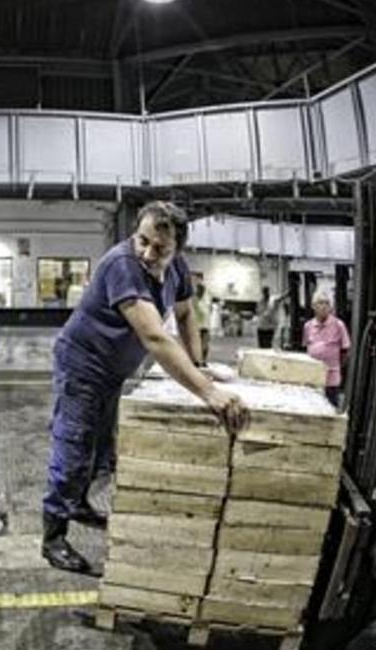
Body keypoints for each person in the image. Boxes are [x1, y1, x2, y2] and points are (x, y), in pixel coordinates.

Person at [41, 201, 249, 575]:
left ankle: (80, 503)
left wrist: (199, 365)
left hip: (112, 371)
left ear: (177, 250)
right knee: (74, 443)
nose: (148, 254)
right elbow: (154, 335)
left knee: (102, 445)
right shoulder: (123, 266)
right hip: (82, 366)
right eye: (143, 241)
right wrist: (207, 392)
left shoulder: (177, 269)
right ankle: (53, 536)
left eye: (160, 249)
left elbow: (186, 315)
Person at [303, 291, 350, 408]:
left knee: (331, 407)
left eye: (327, 303)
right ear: (313, 306)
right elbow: (306, 347)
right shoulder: (308, 326)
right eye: (320, 303)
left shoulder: (339, 325)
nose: (324, 306)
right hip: (312, 376)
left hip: (331, 379)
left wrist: (335, 367)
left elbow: (345, 351)